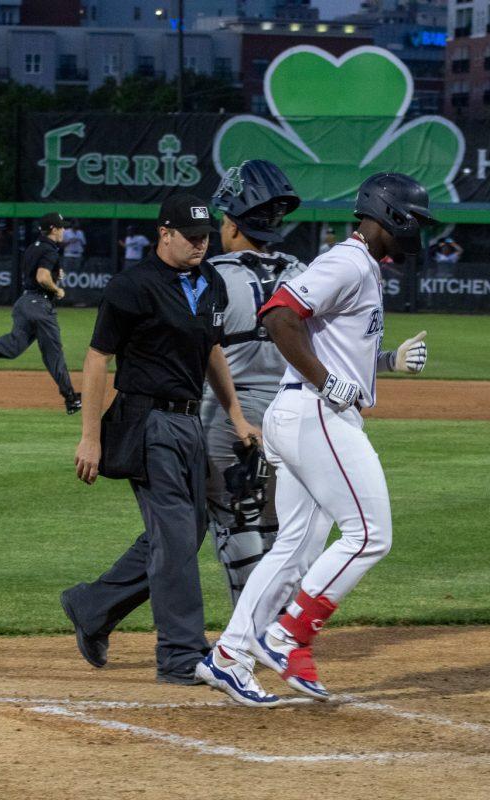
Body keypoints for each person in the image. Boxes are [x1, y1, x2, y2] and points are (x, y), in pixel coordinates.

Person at [195, 173, 431, 707]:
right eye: (414, 218)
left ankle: (230, 656)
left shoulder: (361, 266)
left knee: (296, 548)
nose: (420, 230)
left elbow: (337, 348)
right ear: (389, 215)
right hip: (317, 412)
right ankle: (286, 634)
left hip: (305, 411)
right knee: (370, 535)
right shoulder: (347, 261)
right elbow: (278, 315)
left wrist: (388, 362)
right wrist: (326, 382)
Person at [60, 193, 258, 686]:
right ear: (163, 234)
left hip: (189, 420)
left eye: (206, 237)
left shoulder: (210, 282)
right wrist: (90, 438)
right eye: (190, 238)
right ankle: (180, 654)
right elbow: (96, 358)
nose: (199, 245)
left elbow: (211, 349)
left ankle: (93, 606)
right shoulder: (132, 286)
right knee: (173, 534)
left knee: (186, 531)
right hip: (146, 420)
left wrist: (235, 415)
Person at [203, 159, 305, 608]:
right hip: (290, 415)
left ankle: (248, 630)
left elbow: (193, 351)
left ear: (233, 223)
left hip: (229, 416)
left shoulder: (211, 276)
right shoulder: (302, 271)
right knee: (278, 523)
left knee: (234, 522)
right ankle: (279, 623)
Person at [0, 212, 81, 414]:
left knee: (14, 346)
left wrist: (56, 275)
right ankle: (71, 398)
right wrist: (57, 289)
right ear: (53, 229)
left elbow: (36, 273)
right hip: (39, 305)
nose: (64, 230)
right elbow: (41, 277)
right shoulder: (50, 250)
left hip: (24, 302)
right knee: (53, 354)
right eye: (61, 227)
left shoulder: (32, 248)